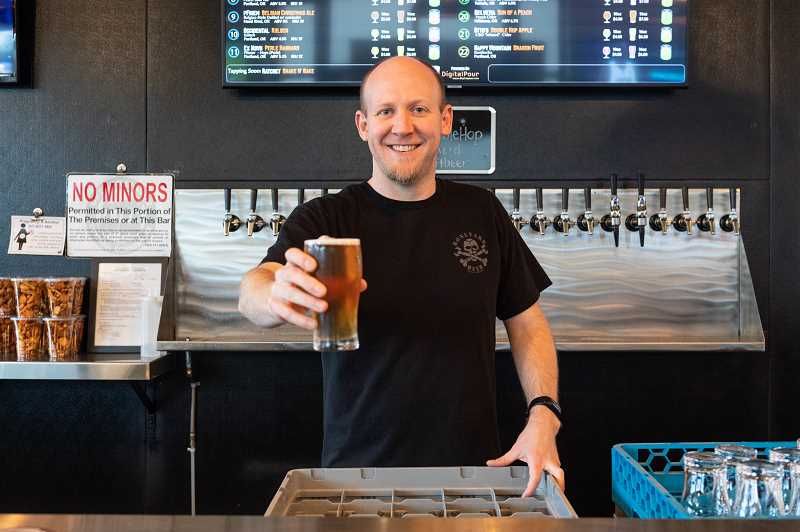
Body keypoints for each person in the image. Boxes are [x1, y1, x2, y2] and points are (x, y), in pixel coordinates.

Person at [239, 56, 563, 496]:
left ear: (445, 120)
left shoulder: (482, 212)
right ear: (363, 124)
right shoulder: (327, 217)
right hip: (356, 482)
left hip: (470, 479)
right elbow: (254, 288)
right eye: (386, 111)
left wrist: (544, 413)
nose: (402, 126)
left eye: (419, 109)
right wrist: (274, 293)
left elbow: (528, 325)